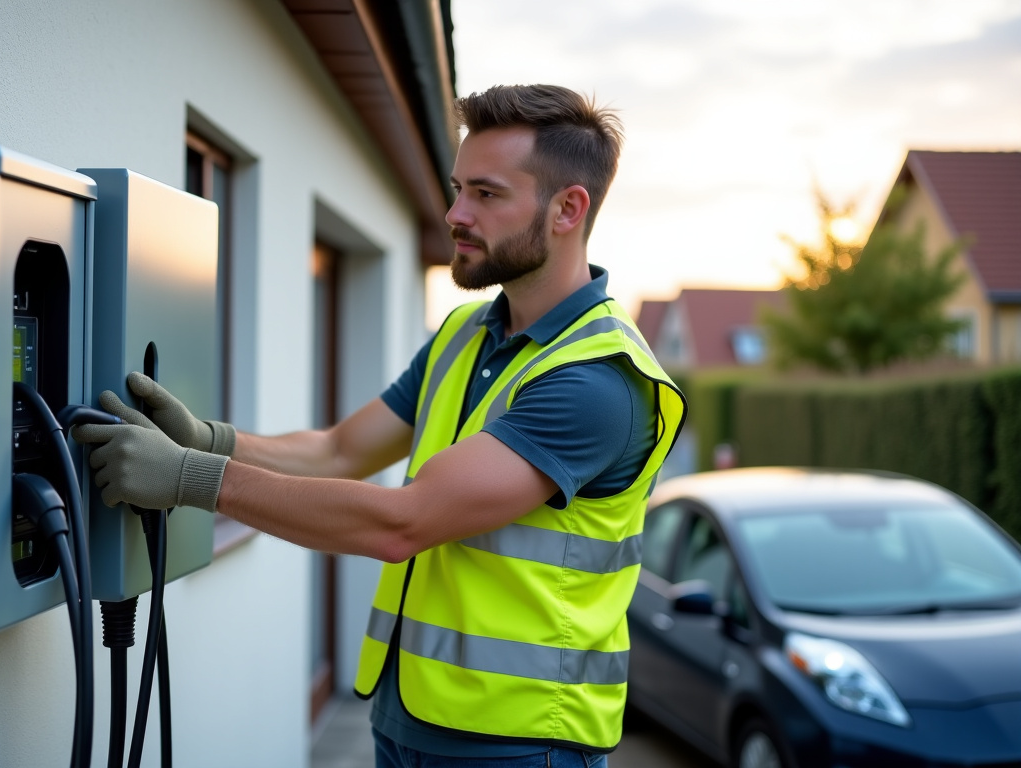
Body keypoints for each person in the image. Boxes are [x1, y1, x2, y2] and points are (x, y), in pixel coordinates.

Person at [74, 84, 686, 767]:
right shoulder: (464, 333)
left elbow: (403, 523)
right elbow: (339, 452)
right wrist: (210, 440)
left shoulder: (597, 381)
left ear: (568, 208)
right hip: (407, 720)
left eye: (485, 194)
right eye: (457, 189)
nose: (455, 213)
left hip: (519, 745)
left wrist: (189, 478)